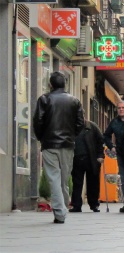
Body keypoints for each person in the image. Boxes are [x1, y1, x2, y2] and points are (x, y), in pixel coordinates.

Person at [32, 71, 84, 223]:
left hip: (49, 144)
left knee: (53, 177)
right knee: (64, 178)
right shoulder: (74, 101)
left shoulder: (44, 99)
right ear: (64, 84)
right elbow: (80, 123)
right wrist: (72, 136)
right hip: (68, 144)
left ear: (50, 85)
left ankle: (60, 212)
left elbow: (38, 121)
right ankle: (63, 207)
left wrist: (42, 138)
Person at [69, 113, 104, 213]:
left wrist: (100, 155)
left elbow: (100, 141)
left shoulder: (92, 126)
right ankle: (76, 205)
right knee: (77, 183)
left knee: (93, 182)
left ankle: (94, 205)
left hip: (91, 158)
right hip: (76, 159)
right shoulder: (71, 128)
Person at [103, 101, 124, 213]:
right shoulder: (114, 122)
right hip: (121, 153)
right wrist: (111, 146)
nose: (121, 109)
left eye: (123, 108)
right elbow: (106, 136)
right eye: (119, 108)